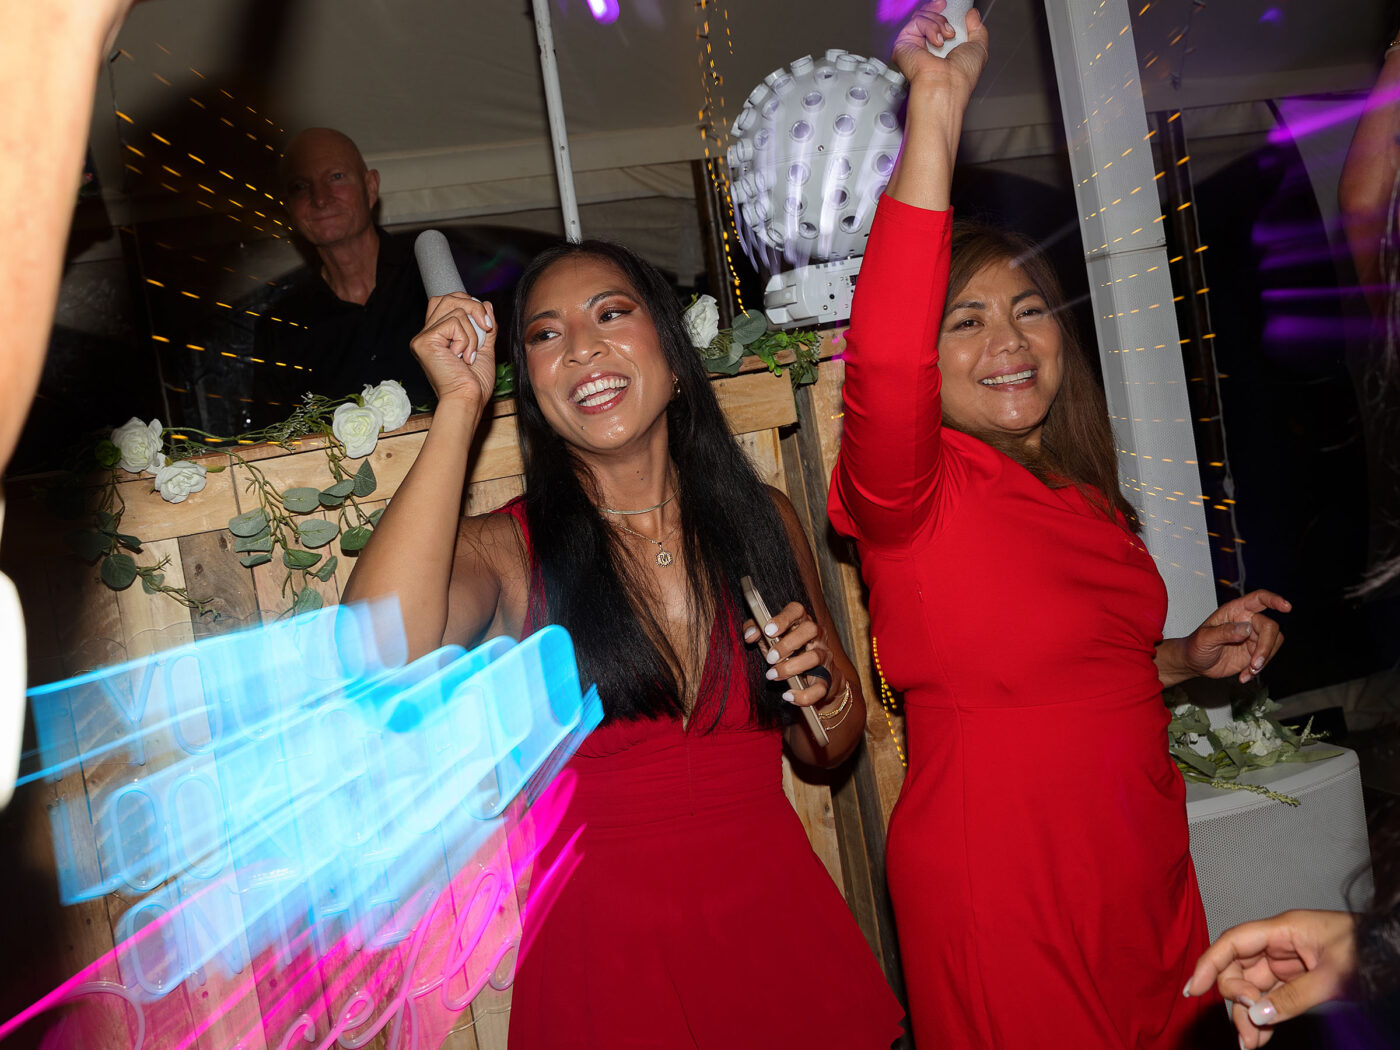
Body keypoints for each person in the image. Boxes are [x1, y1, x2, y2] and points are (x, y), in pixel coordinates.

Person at [826, 4, 1289, 1047]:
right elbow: (883, 354)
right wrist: (936, 103)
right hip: (1004, 876)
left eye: (1027, 308)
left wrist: (1180, 657)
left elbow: (1075, 664)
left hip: (1136, 860)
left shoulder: (1077, 495)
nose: (1008, 340)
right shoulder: (913, 491)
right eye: (966, 318)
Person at [341, 235, 904, 1047]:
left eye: (612, 312)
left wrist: (827, 690)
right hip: (607, 967)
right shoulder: (507, 554)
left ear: (673, 360)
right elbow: (372, 653)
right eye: (545, 334)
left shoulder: (762, 518)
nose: (582, 345)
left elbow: (827, 751)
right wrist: (460, 406)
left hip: (779, 940)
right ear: (533, 390)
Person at [251, 127, 433, 418]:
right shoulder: (282, 328)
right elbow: (275, 440)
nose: (320, 198)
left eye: (336, 177)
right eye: (300, 186)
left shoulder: (432, 278)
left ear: (371, 187)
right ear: (287, 207)